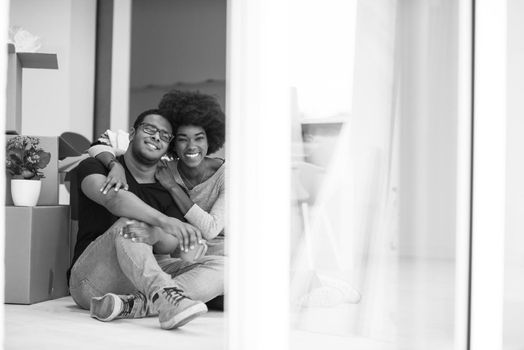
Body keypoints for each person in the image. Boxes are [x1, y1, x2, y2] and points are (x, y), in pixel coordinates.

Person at [68, 109, 224, 329]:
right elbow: (113, 199)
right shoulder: (97, 166)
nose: (156, 137)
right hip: (91, 280)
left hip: (141, 279)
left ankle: (135, 305)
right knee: (132, 225)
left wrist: (156, 234)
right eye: (149, 129)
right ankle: (164, 298)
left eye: (164, 135)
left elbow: (172, 243)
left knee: (225, 268)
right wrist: (162, 222)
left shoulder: (168, 188)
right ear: (132, 133)